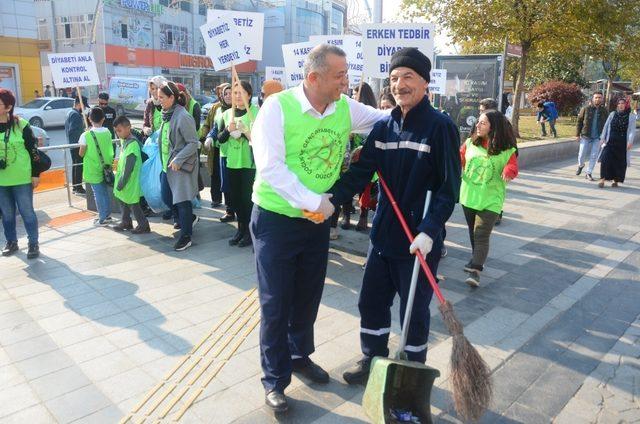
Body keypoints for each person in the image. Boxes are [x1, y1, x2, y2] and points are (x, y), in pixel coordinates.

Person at [250, 44, 389, 412]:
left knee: (308, 296)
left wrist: (419, 112)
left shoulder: (345, 108)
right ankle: (275, 379)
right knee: (276, 302)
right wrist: (316, 201)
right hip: (276, 220)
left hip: (316, 222)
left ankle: (299, 356)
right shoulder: (277, 109)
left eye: (347, 75)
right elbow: (271, 168)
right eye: (340, 76)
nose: (347, 82)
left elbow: (382, 119)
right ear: (313, 77)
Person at [326, 48, 460, 384]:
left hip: (419, 243)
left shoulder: (440, 127)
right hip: (383, 235)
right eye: (394, 78)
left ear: (425, 83)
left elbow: (448, 189)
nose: (399, 84)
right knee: (370, 302)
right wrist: (332, 199)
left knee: (413, 314)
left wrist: (430, 231)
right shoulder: (384, 126)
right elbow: (362, 172)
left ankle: (411, 374)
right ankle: (373, 358)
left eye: (408, 77)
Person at [460, 110, 518, 287]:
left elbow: (513, 167)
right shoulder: (469, 143)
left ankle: (476, 270)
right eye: (478, 121)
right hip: (469, 197)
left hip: (492, 199)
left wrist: (508, 171)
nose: (477, 125)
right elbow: (459, 159)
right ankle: (475, 258)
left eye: (483, 123)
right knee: (473, 232)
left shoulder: (508, 150)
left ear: (494, 127)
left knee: (481, 234)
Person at [0, 88, 42, 259]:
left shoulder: (21, 125)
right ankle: (11, 242)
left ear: (8, 107)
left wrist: (35, 173)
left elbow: (33, 150)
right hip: (2, 181)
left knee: (27, 212)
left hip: (22, 178)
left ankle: (33, 243)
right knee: (7, 214)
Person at [158, 81, 200, 251]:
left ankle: (186, 236)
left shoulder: (183, 116)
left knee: (182, 201)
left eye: (161, 97)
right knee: (167, 197)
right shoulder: (166, 114)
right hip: (166, 166)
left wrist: (178, 159)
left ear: (172, 97)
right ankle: (188, 218)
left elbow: (193, 143)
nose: (158, 99)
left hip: (180, 167)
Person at [217, 81, 259, 248]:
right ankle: (240, 230)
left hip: (249, 164)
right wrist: (228, 130)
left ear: (249, 95)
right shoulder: (227, 114)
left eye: (241, 93)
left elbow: (260, 140)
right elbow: (219, 139)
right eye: (234, 93)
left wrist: (245, 132)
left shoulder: (256, 113)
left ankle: (249, 232)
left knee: (247, 200)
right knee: (235, 200)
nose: (237, 96)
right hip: (232, 162)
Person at [112, 116, 150, 233]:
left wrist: (122, 181)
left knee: (133, 203)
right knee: (123, 200)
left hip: (129, 180)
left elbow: (129, 167)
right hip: (125, 180)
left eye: (119, 130)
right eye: (116, 131)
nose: (118, 134)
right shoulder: (126, 141)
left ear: (128, 128)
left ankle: (143, 225)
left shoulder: (132, 144)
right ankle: (126, 222)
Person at [79, 107, 115, 226]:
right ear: (103, 119)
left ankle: (103, 218)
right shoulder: (108, 132)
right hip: (106, 167)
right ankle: (107, 215)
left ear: (89, 119)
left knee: (98, 193)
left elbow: (81, 153)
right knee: (104, 192)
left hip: (93, 169)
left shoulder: (86, 135)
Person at [206, 85, 236, 222]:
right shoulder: (218, 110)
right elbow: (215, 127)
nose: (229, 96)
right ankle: (229, 211)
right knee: (225, 182)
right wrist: (210, 137)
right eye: (226, 93)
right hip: (221, 150)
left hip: (237, 151)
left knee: (236, 182)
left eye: (231, 93)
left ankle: (240, 211)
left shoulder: (239, 109)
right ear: (222, 96)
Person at [201, 83, 229, 207]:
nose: (223, 95)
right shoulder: (215, 108)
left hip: (230, 149)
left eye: (229, 93)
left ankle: (230, 205)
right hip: (215, 147)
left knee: (228, 177)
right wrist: (206, 137)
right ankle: (216, 199)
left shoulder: (236, 107)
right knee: (215, 174)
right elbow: (210, 125)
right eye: (222, 93)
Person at [598, 98, 637, 188]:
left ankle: (615, 180)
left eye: (623, 103)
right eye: (619, 103)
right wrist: (602, 138)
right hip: (610, 141)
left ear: (626, 105)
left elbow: (632, 130)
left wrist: (630, 142)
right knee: (605, 159)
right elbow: (606, 126)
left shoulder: (631, 116)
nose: (621, 105)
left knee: (619, 162)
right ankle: (602, 180)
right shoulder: (612, 114)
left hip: (622, 142)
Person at [576, 91, 608, 181]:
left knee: (594, 156)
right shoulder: (585, 108)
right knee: (581, 154)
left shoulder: (604, 110)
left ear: (602, 99)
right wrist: (577, 135)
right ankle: (581, 165)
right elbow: (579, 121)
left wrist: (605, 137)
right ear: (593, 99)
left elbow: (607, 124)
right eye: (596, 97)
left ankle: (589, 173)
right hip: (585, 135)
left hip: (598, 137)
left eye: (600, 97)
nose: (598, 99)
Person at [65, 96, 88, 195]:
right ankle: (78, 187)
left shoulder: (70, 112)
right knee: (78, 166)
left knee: (76, 165)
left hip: (72, 143)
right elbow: (73, 130)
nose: (85, 108)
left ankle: (76, 187)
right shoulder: (75, 115)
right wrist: (84, 133)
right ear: (79, 104)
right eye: (84, 105)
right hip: (76, 144)